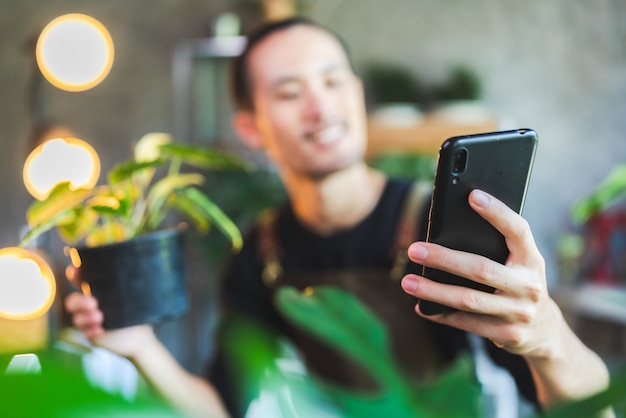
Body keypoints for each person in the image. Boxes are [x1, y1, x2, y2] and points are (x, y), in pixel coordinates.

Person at [65, 16, 612, 418]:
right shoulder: (260, 253)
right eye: (289, 92)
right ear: (251, 129)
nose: (320, 106)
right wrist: (140, 347)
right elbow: (227, 409)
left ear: (355, 94)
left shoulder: (448, 226)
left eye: (332, 82)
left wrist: (545, 335)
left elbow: (591, 409)